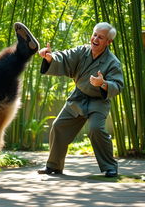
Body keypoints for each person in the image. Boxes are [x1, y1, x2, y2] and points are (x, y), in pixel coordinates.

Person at [37, 22, 124, 177]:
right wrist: (50, 58)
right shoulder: (81, 51)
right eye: (94, 34)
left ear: (108, 42)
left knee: (95, 129)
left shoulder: (113, 62)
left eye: (100, 37)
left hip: (98, 101)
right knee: (58, 126)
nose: (95, 39)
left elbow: (117, 85)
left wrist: (103, 83)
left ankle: (110, 167)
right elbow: (64, 57)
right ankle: (54, 166)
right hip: (78, 97)